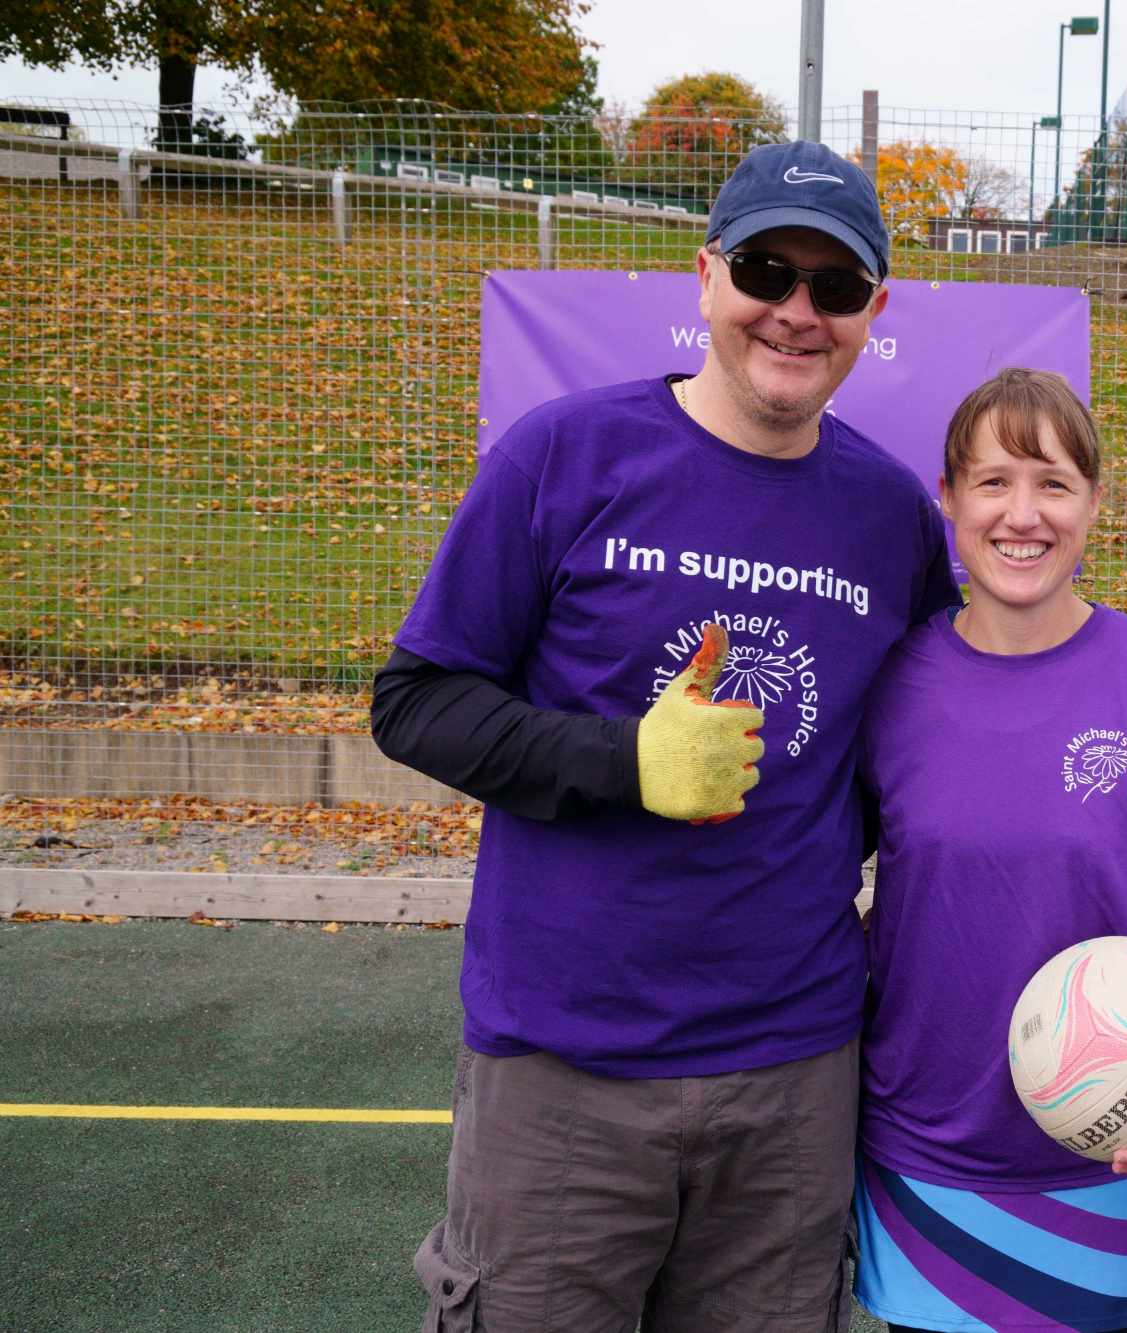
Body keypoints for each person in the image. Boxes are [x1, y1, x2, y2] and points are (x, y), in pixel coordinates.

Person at [370, 139, 960, 1332]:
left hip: (792, 1068)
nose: (795, 312)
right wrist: (624, 759)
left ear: (871, 314)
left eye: (834, 288)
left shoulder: (889, 516)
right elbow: (416, 699)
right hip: (563, 1064)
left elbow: (925, 749)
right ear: (705, 277)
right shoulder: (565, 456)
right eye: (764, 271)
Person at [850, 368, 1127, 1333]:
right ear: (948, 499)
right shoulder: (889, 682)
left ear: (1095, 503)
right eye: (993, 481)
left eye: (1053, 482)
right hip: (928, 1142)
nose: (1023, 514)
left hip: (1113, 1139)